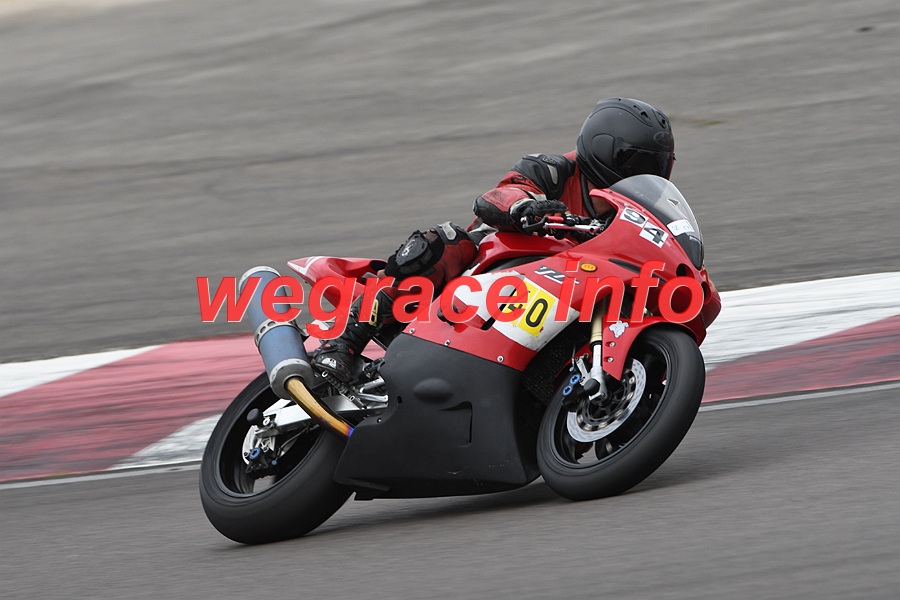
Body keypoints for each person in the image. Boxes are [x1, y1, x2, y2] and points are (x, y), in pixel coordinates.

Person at [312, 97, 676, 382]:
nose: (647, 174)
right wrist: (524, 208)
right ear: (606, 151)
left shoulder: (636, 209)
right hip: (495, 272)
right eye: (638, 162)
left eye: (656, 165)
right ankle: (344, 343)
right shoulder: (554, 170)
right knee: (445, 241)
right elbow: (499, 195)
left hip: (566, 294)